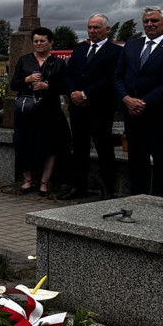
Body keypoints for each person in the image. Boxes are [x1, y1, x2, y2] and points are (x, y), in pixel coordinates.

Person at [112, 6, 163, 198]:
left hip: (161, 116)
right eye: (146, 21)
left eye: (154, 21)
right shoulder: (132, 45)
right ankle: (137, 200)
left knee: (162, 164)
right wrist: (126, 99)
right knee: (137, 162)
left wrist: (143, 103)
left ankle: (159, 205)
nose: (149, 24)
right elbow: (117, 77)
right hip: (133, 116)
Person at [60, 14, 122, 200]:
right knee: (79, 148)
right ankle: (78, 187)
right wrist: (73, 93)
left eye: (96, 27)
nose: (92, 31)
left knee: (104, 149)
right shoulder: (79, 51)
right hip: (78, 108)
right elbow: (68, 75)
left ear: (107, 29)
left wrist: (86, 94)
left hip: (100, 108)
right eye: (89, 27)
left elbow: (110, 78)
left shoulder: (115, 52)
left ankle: (107, 189)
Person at [11, 27, 69, 196]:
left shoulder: (58, 63)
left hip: (49, 110)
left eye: (42, 41)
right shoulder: (24, 60)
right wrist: (26, 80)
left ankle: (44, 182)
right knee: (25, 144)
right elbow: (14, 84)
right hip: (27, 110)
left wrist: (47, 86)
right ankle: (27, 180)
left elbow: (65, 86)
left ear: (50, 42)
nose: (38, 44)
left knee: (50, 146)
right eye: (35, 41)